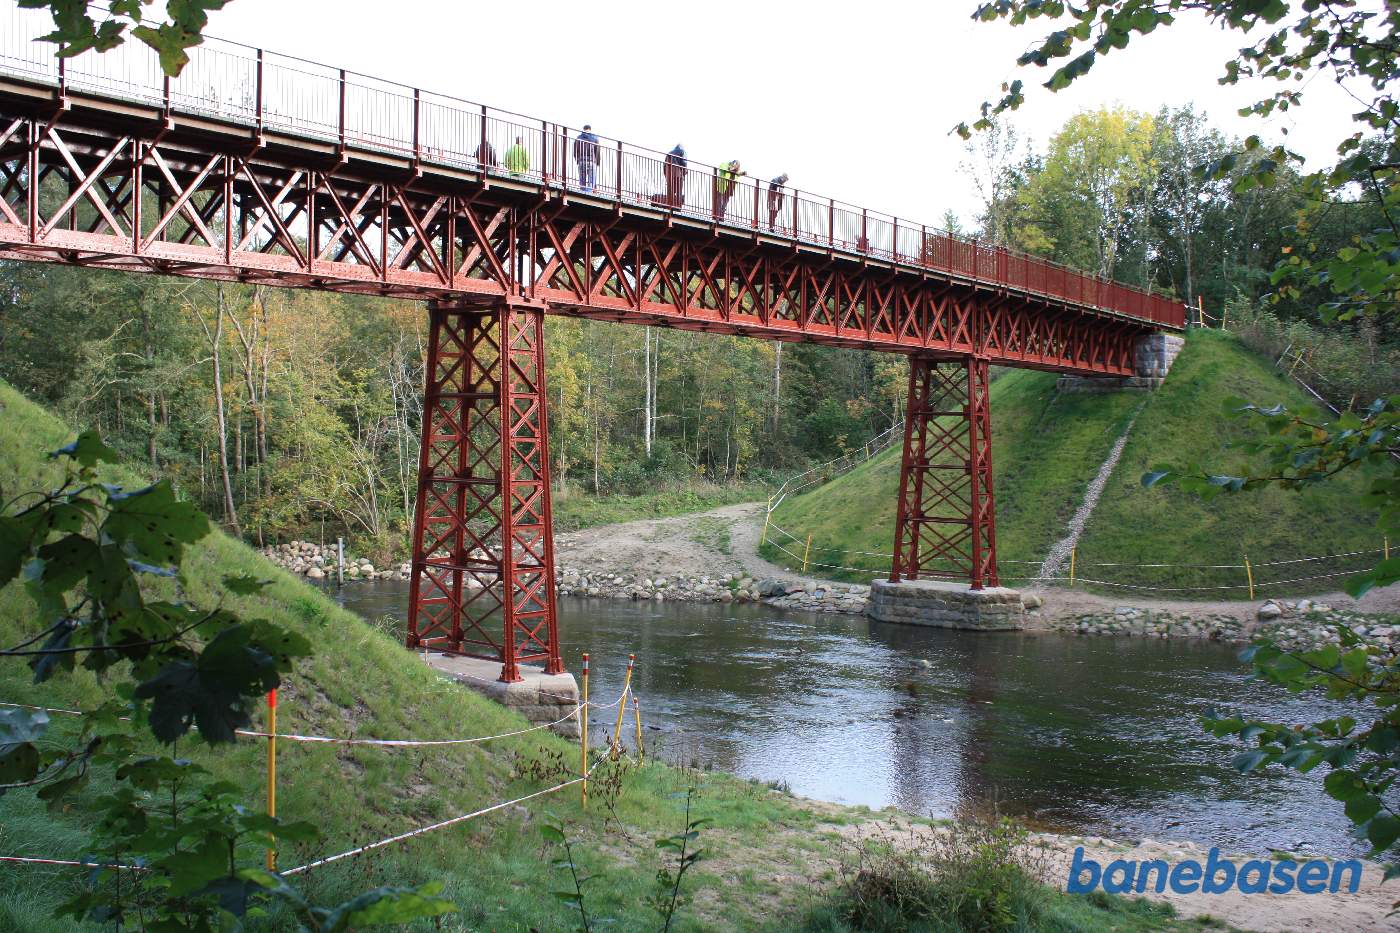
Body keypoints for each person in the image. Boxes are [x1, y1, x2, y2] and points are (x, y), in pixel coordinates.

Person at [574, 124, 600, 193]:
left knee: (582, 178)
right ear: (590, 130)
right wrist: (597, 162)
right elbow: (597, 151)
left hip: (581, 161)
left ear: (583, 129)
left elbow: (575, 151)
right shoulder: (595, 139)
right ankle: (589, 192)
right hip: (591, 161)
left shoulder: (578, 138)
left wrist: (577, 160)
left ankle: (582, 192)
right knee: (591, 179)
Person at [664, 143, 687, 208]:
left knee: (670, 191)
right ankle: (678, 206)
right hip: (678, 175)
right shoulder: (682, 151)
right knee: (679, 191)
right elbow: (684, 163)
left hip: (669, 175)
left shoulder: (669, 153)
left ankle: (669, 206)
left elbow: (664, 167)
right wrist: (684, 172)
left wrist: (667, 176)